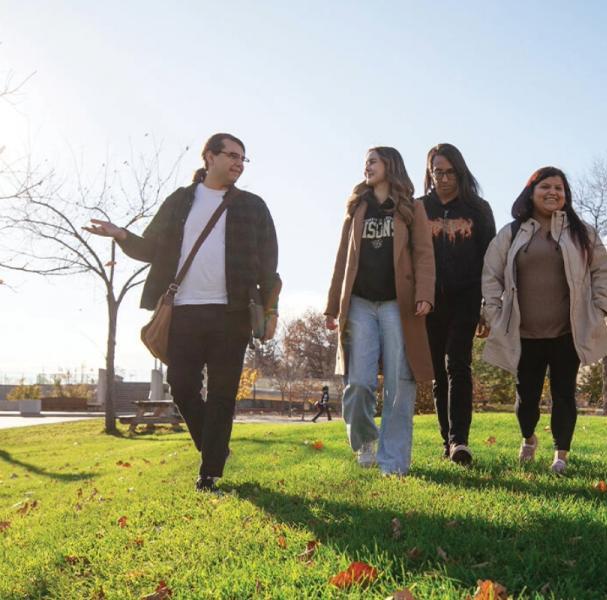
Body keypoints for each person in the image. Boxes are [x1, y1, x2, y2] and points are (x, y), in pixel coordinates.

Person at [85, 132, 280, 490]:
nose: (239, 163)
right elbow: (151, 249)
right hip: (184, 311)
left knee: (222, 393)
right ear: (209, 156)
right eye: (232, 155)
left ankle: (210, 472)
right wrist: (121, 234)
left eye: (243, 158)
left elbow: (269, 265)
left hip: (233, 313)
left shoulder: (253, 207)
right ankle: (215, 448)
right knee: (182, 385)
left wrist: (271, 311)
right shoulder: (180, 201)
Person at [482, 167, 607, 474]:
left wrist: (599, 309)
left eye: (559, 188)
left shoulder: (581, 232)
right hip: (524, 332)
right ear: (531, 192)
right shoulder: (512, 233)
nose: (553, 192)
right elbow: (491, 274)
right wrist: (493, 313)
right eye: (545, 187)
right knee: (526, 399)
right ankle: (529, 437)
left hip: (568, 331)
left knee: (564, 394)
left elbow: (602, 271)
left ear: (566, 195)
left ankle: (560, 455)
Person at [325, 147, 435, 476]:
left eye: (372, 161)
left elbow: (424, 254)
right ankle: (365, 441)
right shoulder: (357, 207)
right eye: (365, 163)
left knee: (399, 383)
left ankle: (393, 462)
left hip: (397, 304)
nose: (367, 167)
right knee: (358, 382)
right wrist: (332, 305)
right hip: (360, 303)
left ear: (390, 165)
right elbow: (342, 258)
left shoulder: (412, 208)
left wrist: (424, 293)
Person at [419, 143, 496, 465]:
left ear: (461, 172)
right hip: (429, 300)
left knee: (458, 364)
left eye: (451, 172)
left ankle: (459, 441)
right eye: (438, 172)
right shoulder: (419, 208)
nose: (445, 178)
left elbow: (491, 261)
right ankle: (446, 441)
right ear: (430, 173)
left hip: (466, 296)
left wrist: (487, 307)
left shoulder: (478, 209)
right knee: (438, 372)